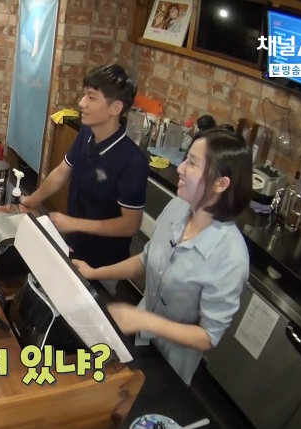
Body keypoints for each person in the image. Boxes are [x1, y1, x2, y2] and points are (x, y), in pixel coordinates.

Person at [73, 129, 253, 385]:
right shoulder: (178, 207)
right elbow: (147, 260)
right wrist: (94, 272)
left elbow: (208, 336)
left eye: (192, 163)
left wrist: (145, 320)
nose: (180, 168)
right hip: (136, 337)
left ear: (220, 184)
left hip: (170, 364)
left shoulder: (231, 257)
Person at [22, 63, 148, 296]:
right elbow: (62, 172)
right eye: (84, 95)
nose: (81, 103)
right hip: (72, 245)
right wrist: (31, 200)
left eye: (91, 97)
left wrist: (74, 223)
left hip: (102, 266)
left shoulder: (132, 161)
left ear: (116, 108)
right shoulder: (87, 133)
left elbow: (130, 225)